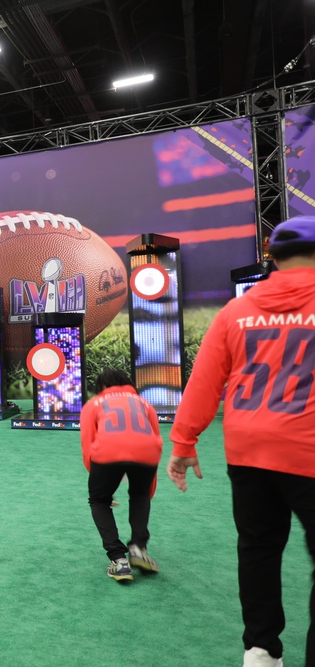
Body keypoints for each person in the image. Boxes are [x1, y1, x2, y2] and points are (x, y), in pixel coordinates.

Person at [168, 215, 315, 667]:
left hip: (249, 451)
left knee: (258, 550)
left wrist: (182, 442)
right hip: (308, 449)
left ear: (271, 256)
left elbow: (204, 382)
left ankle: (260, 651)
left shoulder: (237, 310)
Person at [79, 368, 162, 582]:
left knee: (98, 501)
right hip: (148, 452)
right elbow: (156, 437)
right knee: (140, 494)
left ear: (101, 387)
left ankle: (119, 560)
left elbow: (88, 446)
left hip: (106, 453)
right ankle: (138, 549)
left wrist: (103, 489)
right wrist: (148, 490)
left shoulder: (93, 404)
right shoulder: (144, 404)